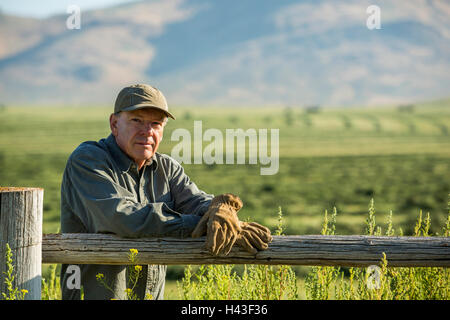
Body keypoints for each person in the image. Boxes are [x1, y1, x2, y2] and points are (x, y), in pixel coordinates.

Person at [60, 84, 272, 300]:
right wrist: (196, 225)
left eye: (156, 123)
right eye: (137, 121)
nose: (147, 131)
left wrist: (219, 211)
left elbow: (194, 200)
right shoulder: (88, 161)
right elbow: (122, 217)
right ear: (114, 124)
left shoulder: (166, 167)